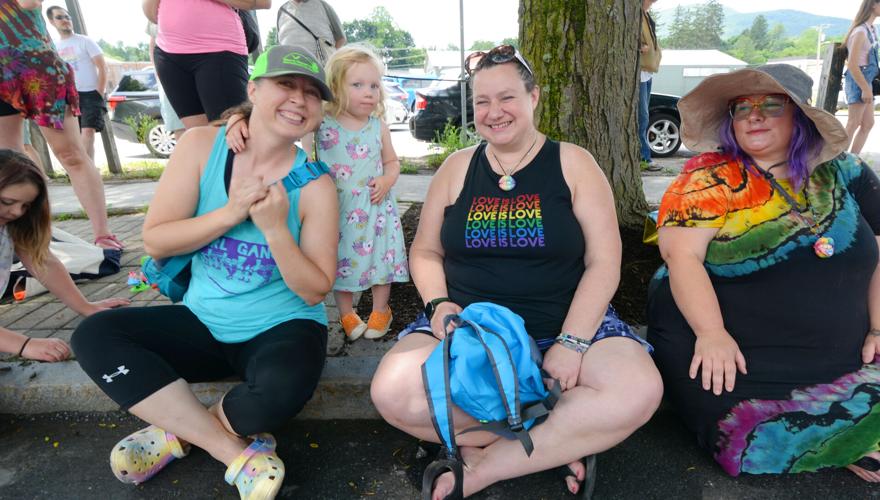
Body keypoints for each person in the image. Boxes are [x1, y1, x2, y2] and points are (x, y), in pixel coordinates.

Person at [369, 45, 662, 499]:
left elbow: (605, 262)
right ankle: (557, 440)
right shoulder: (455, 168)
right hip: (468, 333)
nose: (493, 112)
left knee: (637, 390)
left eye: (506, 98)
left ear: (534, 97)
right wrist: (440, 304)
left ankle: (486, 466)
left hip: (563, 327)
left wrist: (572, 341)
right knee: (393, 393)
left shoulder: (575, 163)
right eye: (482, 101)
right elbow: (425, 251)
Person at [70, 45, 338, 498]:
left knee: (278, 395)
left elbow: (314, 290)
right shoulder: (200, 146)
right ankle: (232, 453)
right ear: (253, 89)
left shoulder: (316, 185)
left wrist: (275, 230)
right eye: (286, 85)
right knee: (94, 335)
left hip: (282, 326)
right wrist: (232, 212)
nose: (299, 99)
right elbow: (155, 239)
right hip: (202, 319)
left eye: (312, 93)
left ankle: (176, 432)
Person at [647, 64, 880, 482]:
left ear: (800, 117)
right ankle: (841, 439)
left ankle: (848, 432)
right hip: (729, 345)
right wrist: (711, 333)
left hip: (838, 346)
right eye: (741, 108)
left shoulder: (845, 172)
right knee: (748, 440)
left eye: (771, 105)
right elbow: (681, 258)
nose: (753, 115)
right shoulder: (707, 177)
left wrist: (878, 329)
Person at [227, 45, 409, 341]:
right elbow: (278, 126)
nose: (369, 92)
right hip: (336, 211)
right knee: (339, 262)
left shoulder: (378, 126)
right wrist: (238, 119)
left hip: (375, 210)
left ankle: (381, 310)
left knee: (381, 260)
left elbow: (391, 161)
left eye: (374, 85)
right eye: (358, 85)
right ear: (335, 87)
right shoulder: (322, 122)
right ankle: (347, 314)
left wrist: (388, 179)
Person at [0, 0, 123, 250]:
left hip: (39, 68)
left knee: (72, 155)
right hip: (3, 75)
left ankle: (103, 234)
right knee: (9, 162)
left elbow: (30, 2)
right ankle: (22, 240)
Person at [0, 150, 128, 362]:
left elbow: (43, 262)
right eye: (7, 202)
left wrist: (86, 307)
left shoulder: (12, 224)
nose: (17, 212)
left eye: (25, 206)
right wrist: (24, 344)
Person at [142, 0, 271, 129]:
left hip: (219, 50)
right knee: (200, 136)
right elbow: (151, 14)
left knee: (234, 132)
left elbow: (264, 2)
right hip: (169, 52)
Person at [46, 5, 109, 162]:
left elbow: (102, 67)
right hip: (68, 98)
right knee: (79, 137)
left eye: (67, 17)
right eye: (59, 17)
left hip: (90, 94)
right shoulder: (53, 46)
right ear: (52, 22)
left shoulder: (85, 41)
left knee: (88, 132)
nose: (65, 20)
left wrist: (99, 93)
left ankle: (81, 166)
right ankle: (90, 170)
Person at [843, 0, 880, 154]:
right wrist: (865, 88)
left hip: (867, 80)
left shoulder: (872, 28)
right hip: (858, 80)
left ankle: (853, 159)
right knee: (853, 123)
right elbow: (852, 64)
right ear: (873, 4)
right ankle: (837, 162)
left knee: (868, 123)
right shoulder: (860, 31)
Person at [277, 0, 346, 64]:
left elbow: (341, 39)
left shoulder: (322, 5)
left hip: (322, 70)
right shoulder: (282, 11)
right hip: (292, 69)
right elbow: (280, 45)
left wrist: (330, 61)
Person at [639, 0, 662, 172]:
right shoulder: (636, 14)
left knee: (644, 117)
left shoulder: (646, 15)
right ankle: (644, 157)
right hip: (639, 73)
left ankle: (643, 156)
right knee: (642, 117)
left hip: (647, 72)